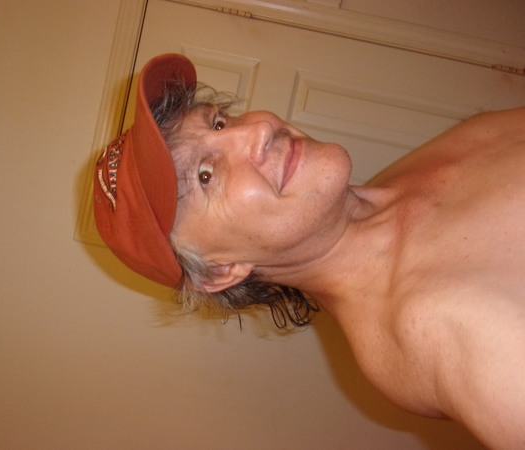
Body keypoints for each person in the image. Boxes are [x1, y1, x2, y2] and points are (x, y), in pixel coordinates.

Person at [94, 54, 525, 449]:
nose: (259, 130)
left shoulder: (395, 183)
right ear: (221, 270)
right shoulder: (441, 324)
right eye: (206, 175)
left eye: (219, 123)